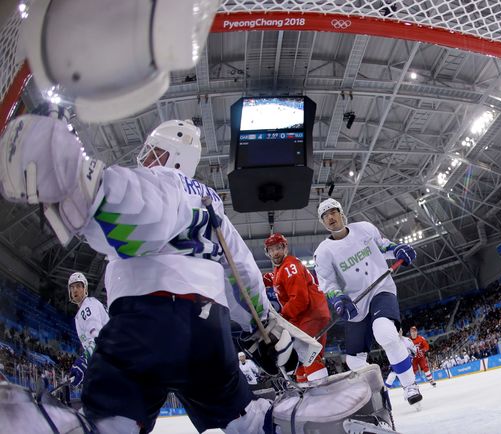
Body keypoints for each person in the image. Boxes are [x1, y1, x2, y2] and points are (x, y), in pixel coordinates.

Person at [0, 115, 290, 433]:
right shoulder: (213, 204)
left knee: (112, 420)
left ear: (175, 157)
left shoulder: (164, 181)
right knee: (241, 416)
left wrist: (81, 183)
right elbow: (241, 271)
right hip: (211, 330)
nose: (145, 159)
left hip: (148, 318)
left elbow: (145, 207)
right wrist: (261, 327)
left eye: (154, 152)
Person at [313, 198, 423, 405]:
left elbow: (384, 246)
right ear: (322, 222)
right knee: (353, 361)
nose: (330, 217)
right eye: (325, 215)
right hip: (355, 304)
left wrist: (398, 250)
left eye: (333, 212)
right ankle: (378, 394)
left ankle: (410, 386)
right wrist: (338, 299)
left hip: (381, 289)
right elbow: (328, 284)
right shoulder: (323, 252)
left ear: (341, 212)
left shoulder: (364, 229)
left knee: (385, 332)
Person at [264, 232, 331, 383]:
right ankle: (309, 393)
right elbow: (277, 279)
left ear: (285, 248)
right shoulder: (283, 268)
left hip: (309, 316)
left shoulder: (289, 267)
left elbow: (300, 300)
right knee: (306, 358)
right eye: (271, 249)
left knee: (307, 355)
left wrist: (282, 318)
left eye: (278, 248)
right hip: (313, 315)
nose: (275, 252)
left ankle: (323, 394)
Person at [67, 272, 109, 388]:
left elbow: (97, 338)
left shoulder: (88, 306)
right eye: (72, 287)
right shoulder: (79, 315)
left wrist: (84, 361)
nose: (75, 290)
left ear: (85, 288)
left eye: (78, 286)